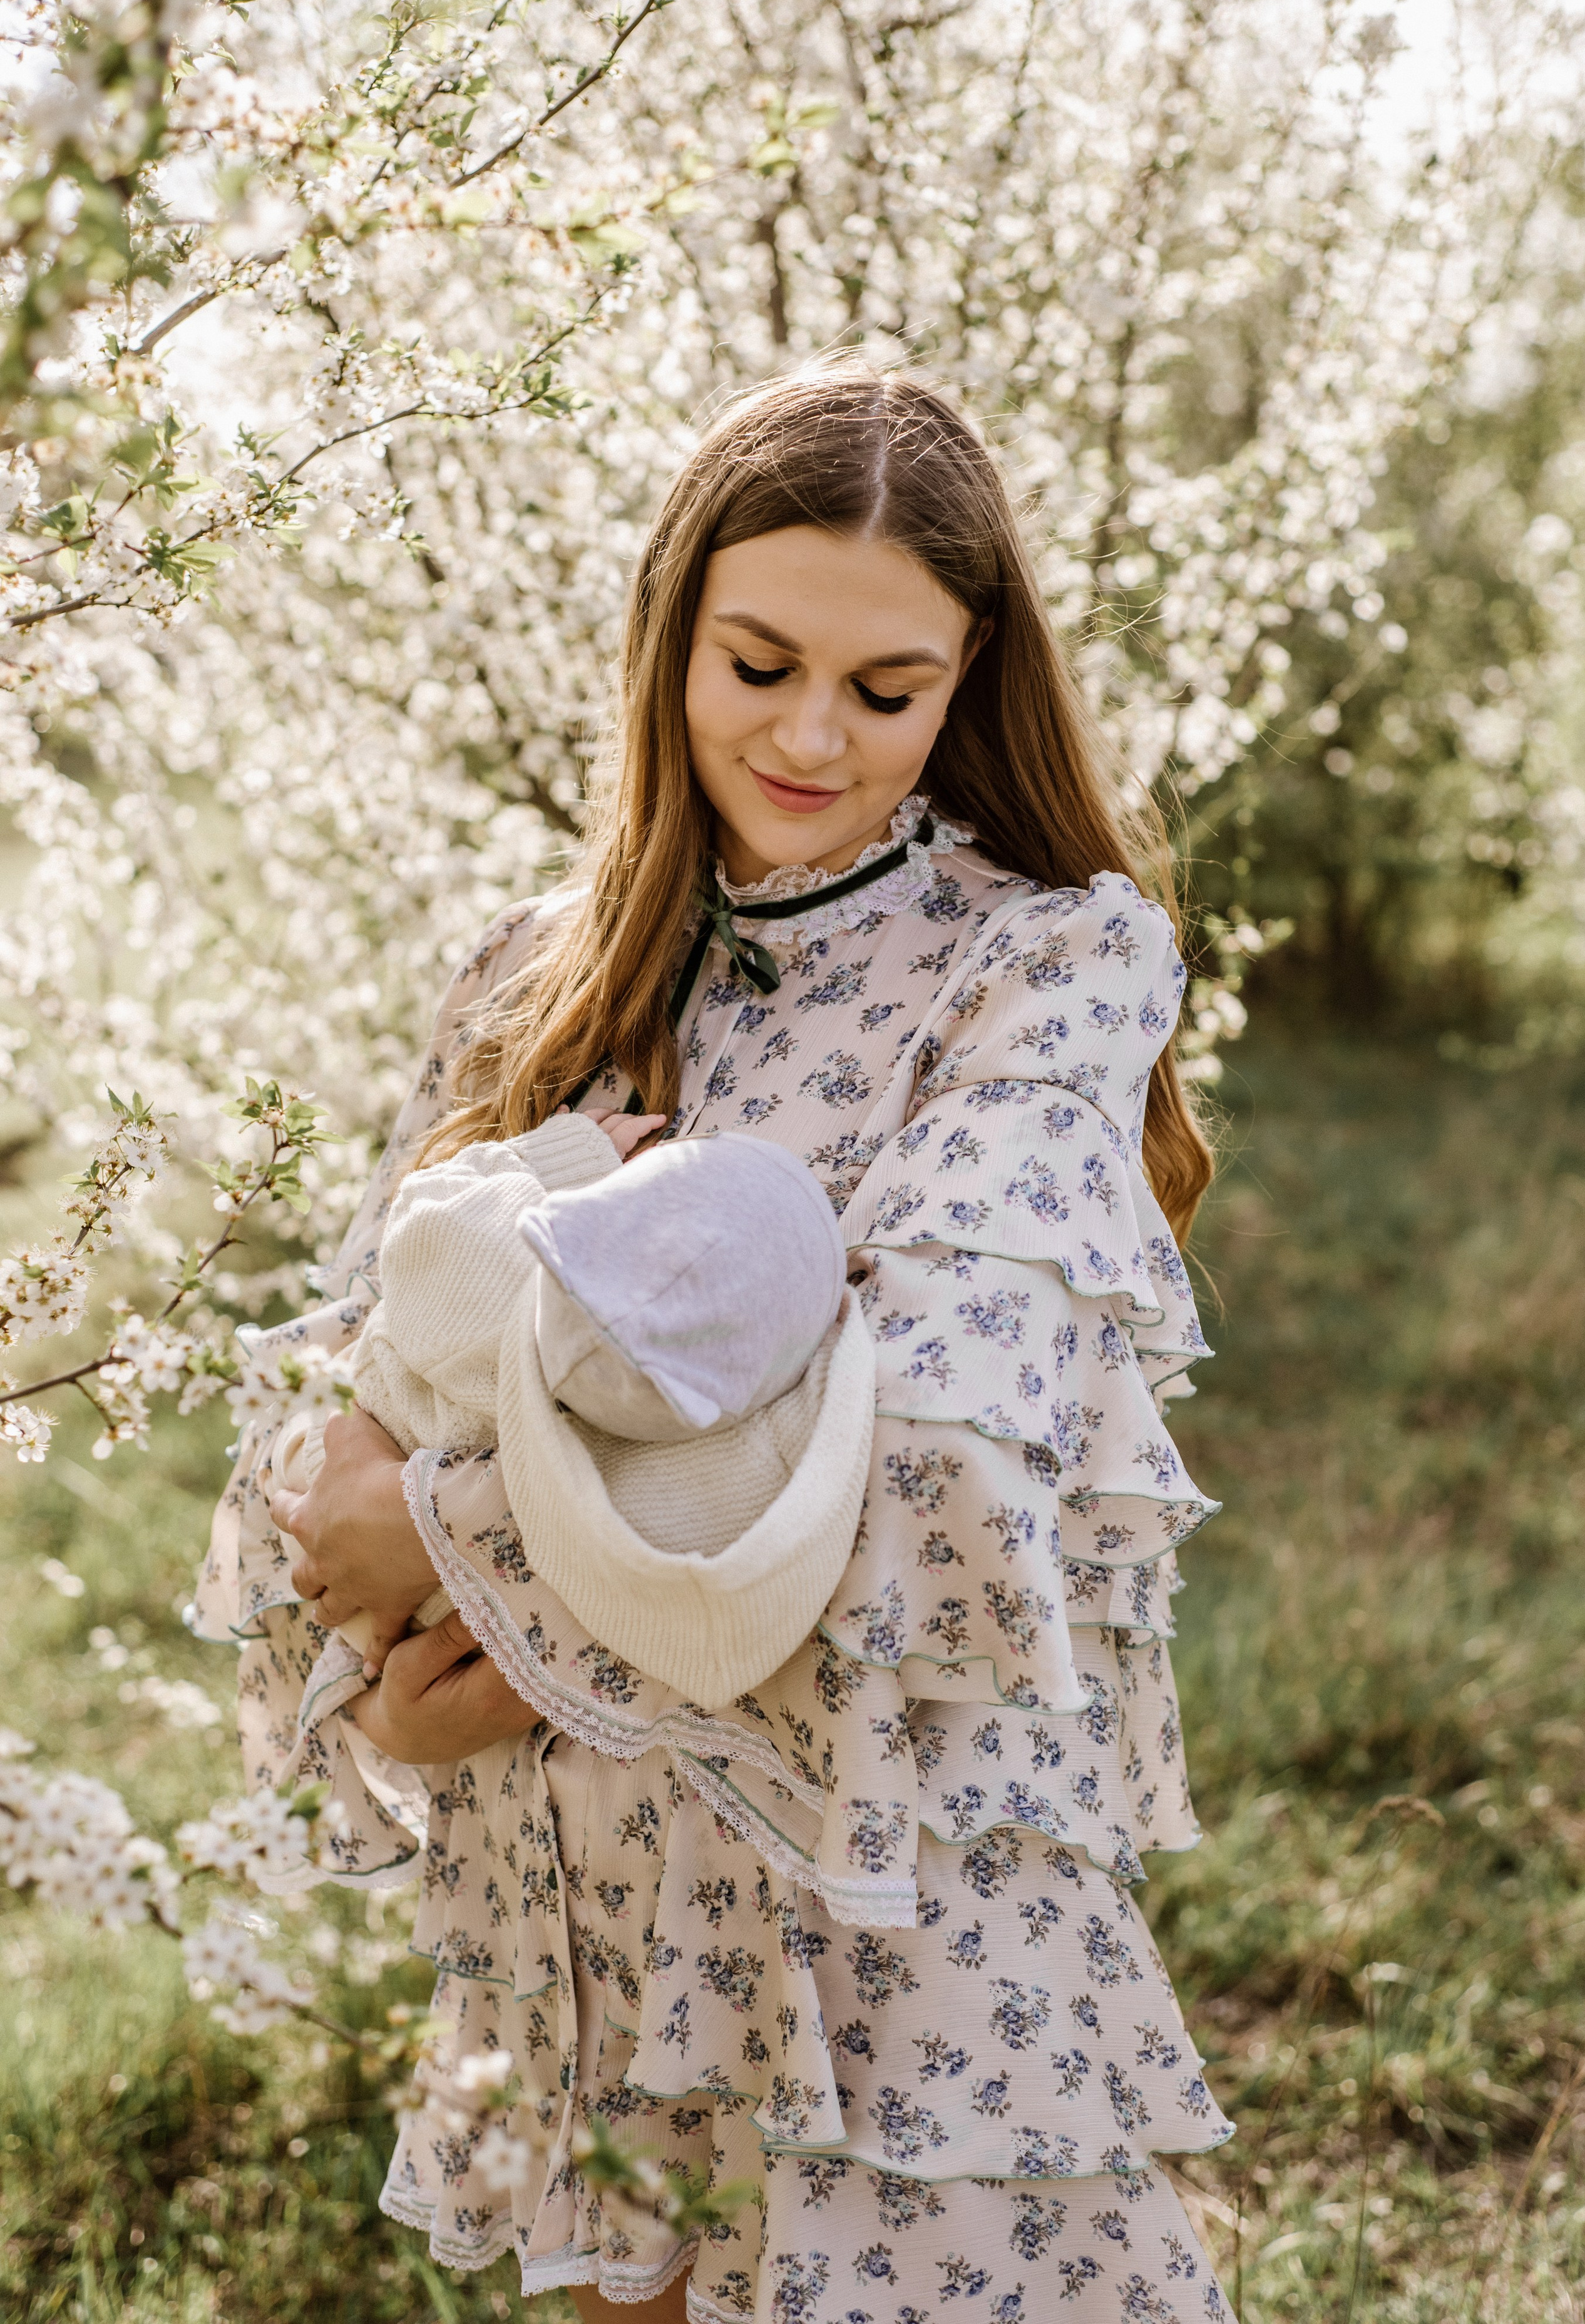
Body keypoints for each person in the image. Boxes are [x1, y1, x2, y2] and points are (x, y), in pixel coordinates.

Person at [192, 367, 1234, 2323]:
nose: (812, 737)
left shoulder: (1043, 963)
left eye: (885, 686)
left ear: (970, 675)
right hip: (574, 1917)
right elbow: (338, 1418)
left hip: (879, 1895)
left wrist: (466, 1572)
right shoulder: (539, 972)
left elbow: (924, 1472)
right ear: (669, 629)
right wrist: (404, 1620)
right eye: (756, 663)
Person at [267, 1107, 869, 1710]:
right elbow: (747, 1513)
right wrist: (824, 1347)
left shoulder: (500, 1260)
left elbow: (429, 1205)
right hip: (459, 1627)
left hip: (327, 1468)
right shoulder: (665, 1434)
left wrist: (567, 1156)